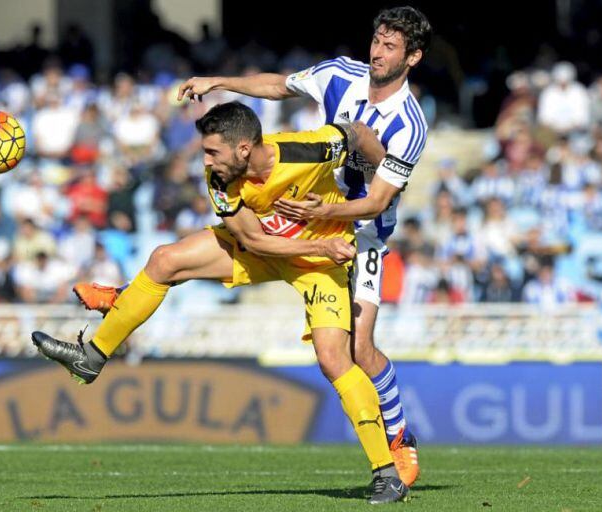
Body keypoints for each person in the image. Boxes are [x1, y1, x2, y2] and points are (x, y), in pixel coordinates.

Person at [33, 101, 408, 503]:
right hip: (273, 247)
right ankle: (92, 356)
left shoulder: (310, 148)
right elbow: (252, 240)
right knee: (165, 260)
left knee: (334, 358)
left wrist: (382, 190)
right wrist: (314, 240)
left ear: (244, 148)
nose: (206, 159)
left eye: (213, 151)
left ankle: (387, 473)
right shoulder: (219, 178)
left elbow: (355, 135)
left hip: (320, 262)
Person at [176, 5, 430, 487]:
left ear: (412, 58)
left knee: (360, 345)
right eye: (377, 40)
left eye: (391, 46)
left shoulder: (410, 126)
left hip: (363, 226)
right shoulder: (339, 73)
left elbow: (377, 200)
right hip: (309, 207)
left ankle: (399, 437)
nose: (377, 51)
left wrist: (322, 213)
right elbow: (277, 85)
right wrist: (218, 81)